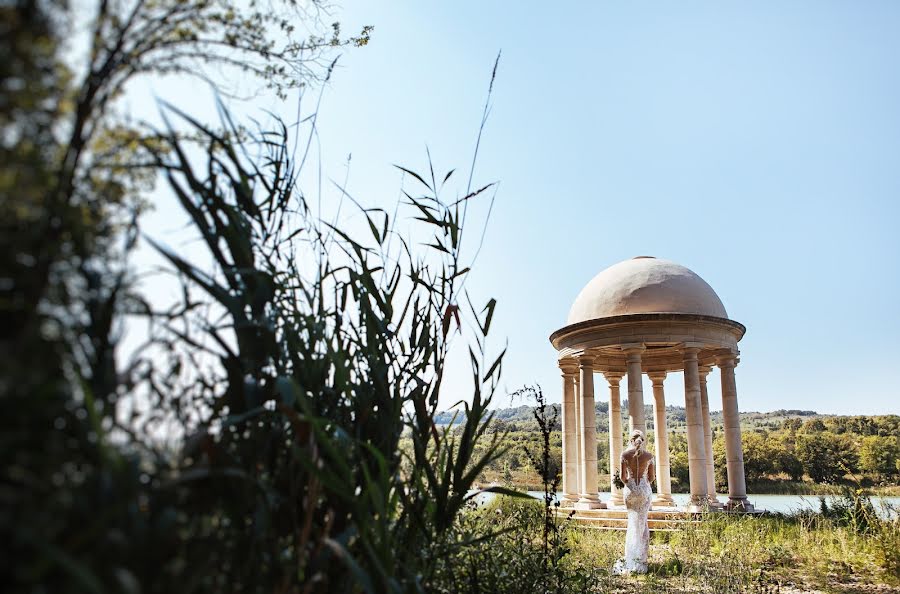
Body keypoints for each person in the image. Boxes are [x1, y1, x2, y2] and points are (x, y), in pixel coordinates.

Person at [614, 429, 654, 575]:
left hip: (630, 491)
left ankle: (630, 558)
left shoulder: (624, 455)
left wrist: (630, 484)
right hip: (644, 490)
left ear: (631, 440)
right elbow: (652, 477)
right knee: (643, 524)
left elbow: (622, 477)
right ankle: (641, 560)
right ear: (642, 441)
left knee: (632, 523)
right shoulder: (649, 456)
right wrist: (643, 484)